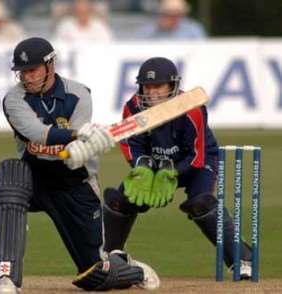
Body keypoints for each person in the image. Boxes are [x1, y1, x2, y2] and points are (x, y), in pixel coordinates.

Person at [0, 37, 160, 293]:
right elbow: (38, 133)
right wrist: (79, 135)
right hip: (35, 177)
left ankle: (127, 266)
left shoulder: (78, 94)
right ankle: (7, 277)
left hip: (74, 182)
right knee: (10, 174)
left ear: (51, 65)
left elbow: (76, 152)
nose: (27, 77)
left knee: (95, 275)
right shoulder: (13, 100)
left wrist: (88, 146)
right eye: (22, 72)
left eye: (33, 70)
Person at [101, 56, 253, 280]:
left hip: (194, 163)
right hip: (155, 162)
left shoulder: (191, 109)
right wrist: (142, 168)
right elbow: (131, 143)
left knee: (201, 204)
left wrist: (170, 172)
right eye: (147, 86)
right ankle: (111, 257)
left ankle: (242, 258)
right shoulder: (132, 107)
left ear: (172, 85)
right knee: (119, 201)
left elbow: (197, 156)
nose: (152, 92)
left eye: (158, 86)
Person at [133, 0, 206, 40]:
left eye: (176, 14)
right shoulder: (150, 29)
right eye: (168, 14)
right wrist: (160, 28)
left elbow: (201, 48)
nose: (172, 18)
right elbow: (137, 44)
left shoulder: (193, 29)